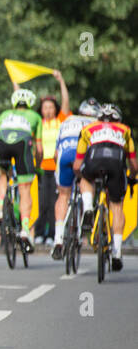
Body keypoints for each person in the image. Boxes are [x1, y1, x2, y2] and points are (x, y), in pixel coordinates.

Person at [75, 103, 135, 272]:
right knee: (117, 206)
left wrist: (82, 178)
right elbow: (133, 164)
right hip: (116, 164)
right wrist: (131, 177)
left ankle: (88, 207)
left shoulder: (89, 128)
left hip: (94, 161)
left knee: (86, 179)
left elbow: (77, 164)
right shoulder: (125, 130)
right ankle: (116, 252)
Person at [0, 88, 42, 251]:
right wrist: (37, 167)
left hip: (2, 142)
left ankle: (0, 209)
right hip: (22, 143)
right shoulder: (35, 117)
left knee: (3, 176)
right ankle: (25, 229)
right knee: (25, 188)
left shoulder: (3, 115)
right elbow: (39, 149)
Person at [50, 97, 100, 260]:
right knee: (85, 177)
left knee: (63, 195)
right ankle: (87, 207)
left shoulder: (68, 120)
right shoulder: (96, 125)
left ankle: (58, 240)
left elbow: (56, 153)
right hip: (82, 152)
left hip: (64, 152)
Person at [34, 72, 69, 241]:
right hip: (42, 167)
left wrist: (61, 81)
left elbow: (66, 103)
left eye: (50, 107)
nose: (47, 110)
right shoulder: (39, 122)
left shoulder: (60, 120)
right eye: (44, 107)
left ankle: (52, 234)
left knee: (55, 201)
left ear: (55, 108)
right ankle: (40, 233)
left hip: (57, 166)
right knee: (42, 202)